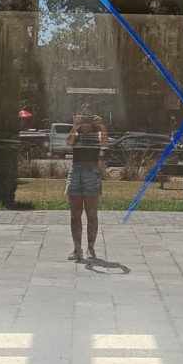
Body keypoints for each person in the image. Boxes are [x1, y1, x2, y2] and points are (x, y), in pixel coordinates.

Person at [65, 103, 107, 261]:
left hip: (92, 170)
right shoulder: (76, 131)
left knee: (91, 213)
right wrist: (75, 126)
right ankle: (77, 249)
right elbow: (69, 142)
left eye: (89, 115)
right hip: (76, 171)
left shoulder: (97, 131)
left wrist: (102, 126)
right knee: (75, 214)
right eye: (84, 115)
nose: (87, 119)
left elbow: (105, 143)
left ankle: (91, 248)